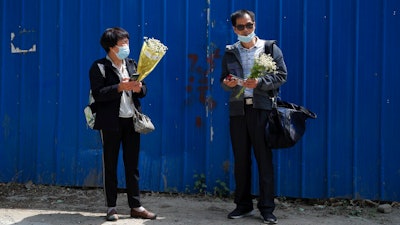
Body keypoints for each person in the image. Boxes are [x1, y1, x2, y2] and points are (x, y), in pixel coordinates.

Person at [220, 10, 287, 224]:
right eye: (241, 27)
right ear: (234, 29)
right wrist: (227, 83)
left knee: (264, 160)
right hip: (238, 111)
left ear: (254, 24)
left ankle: (267, 209)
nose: (246, 30)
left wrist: (260, 83)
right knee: (241, 160)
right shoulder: (230, 52)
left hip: (262, 110)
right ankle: (243, 205)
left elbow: (281, 75)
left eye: (249, 26)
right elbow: (223, 79)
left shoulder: (269, 48)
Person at [88, 27, 156, 221]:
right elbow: (98, 93)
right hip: (110, 123)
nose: (127, 47)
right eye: (122, 44)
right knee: (110, 164)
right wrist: (120, 87)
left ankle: (136, 206)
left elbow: (143, 91)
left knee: (132, 165)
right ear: (111, 47)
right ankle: (111, 207)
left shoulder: (132, 64)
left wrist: (139, 87)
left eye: (127, 42)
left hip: (131, 121)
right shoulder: (99, 67)